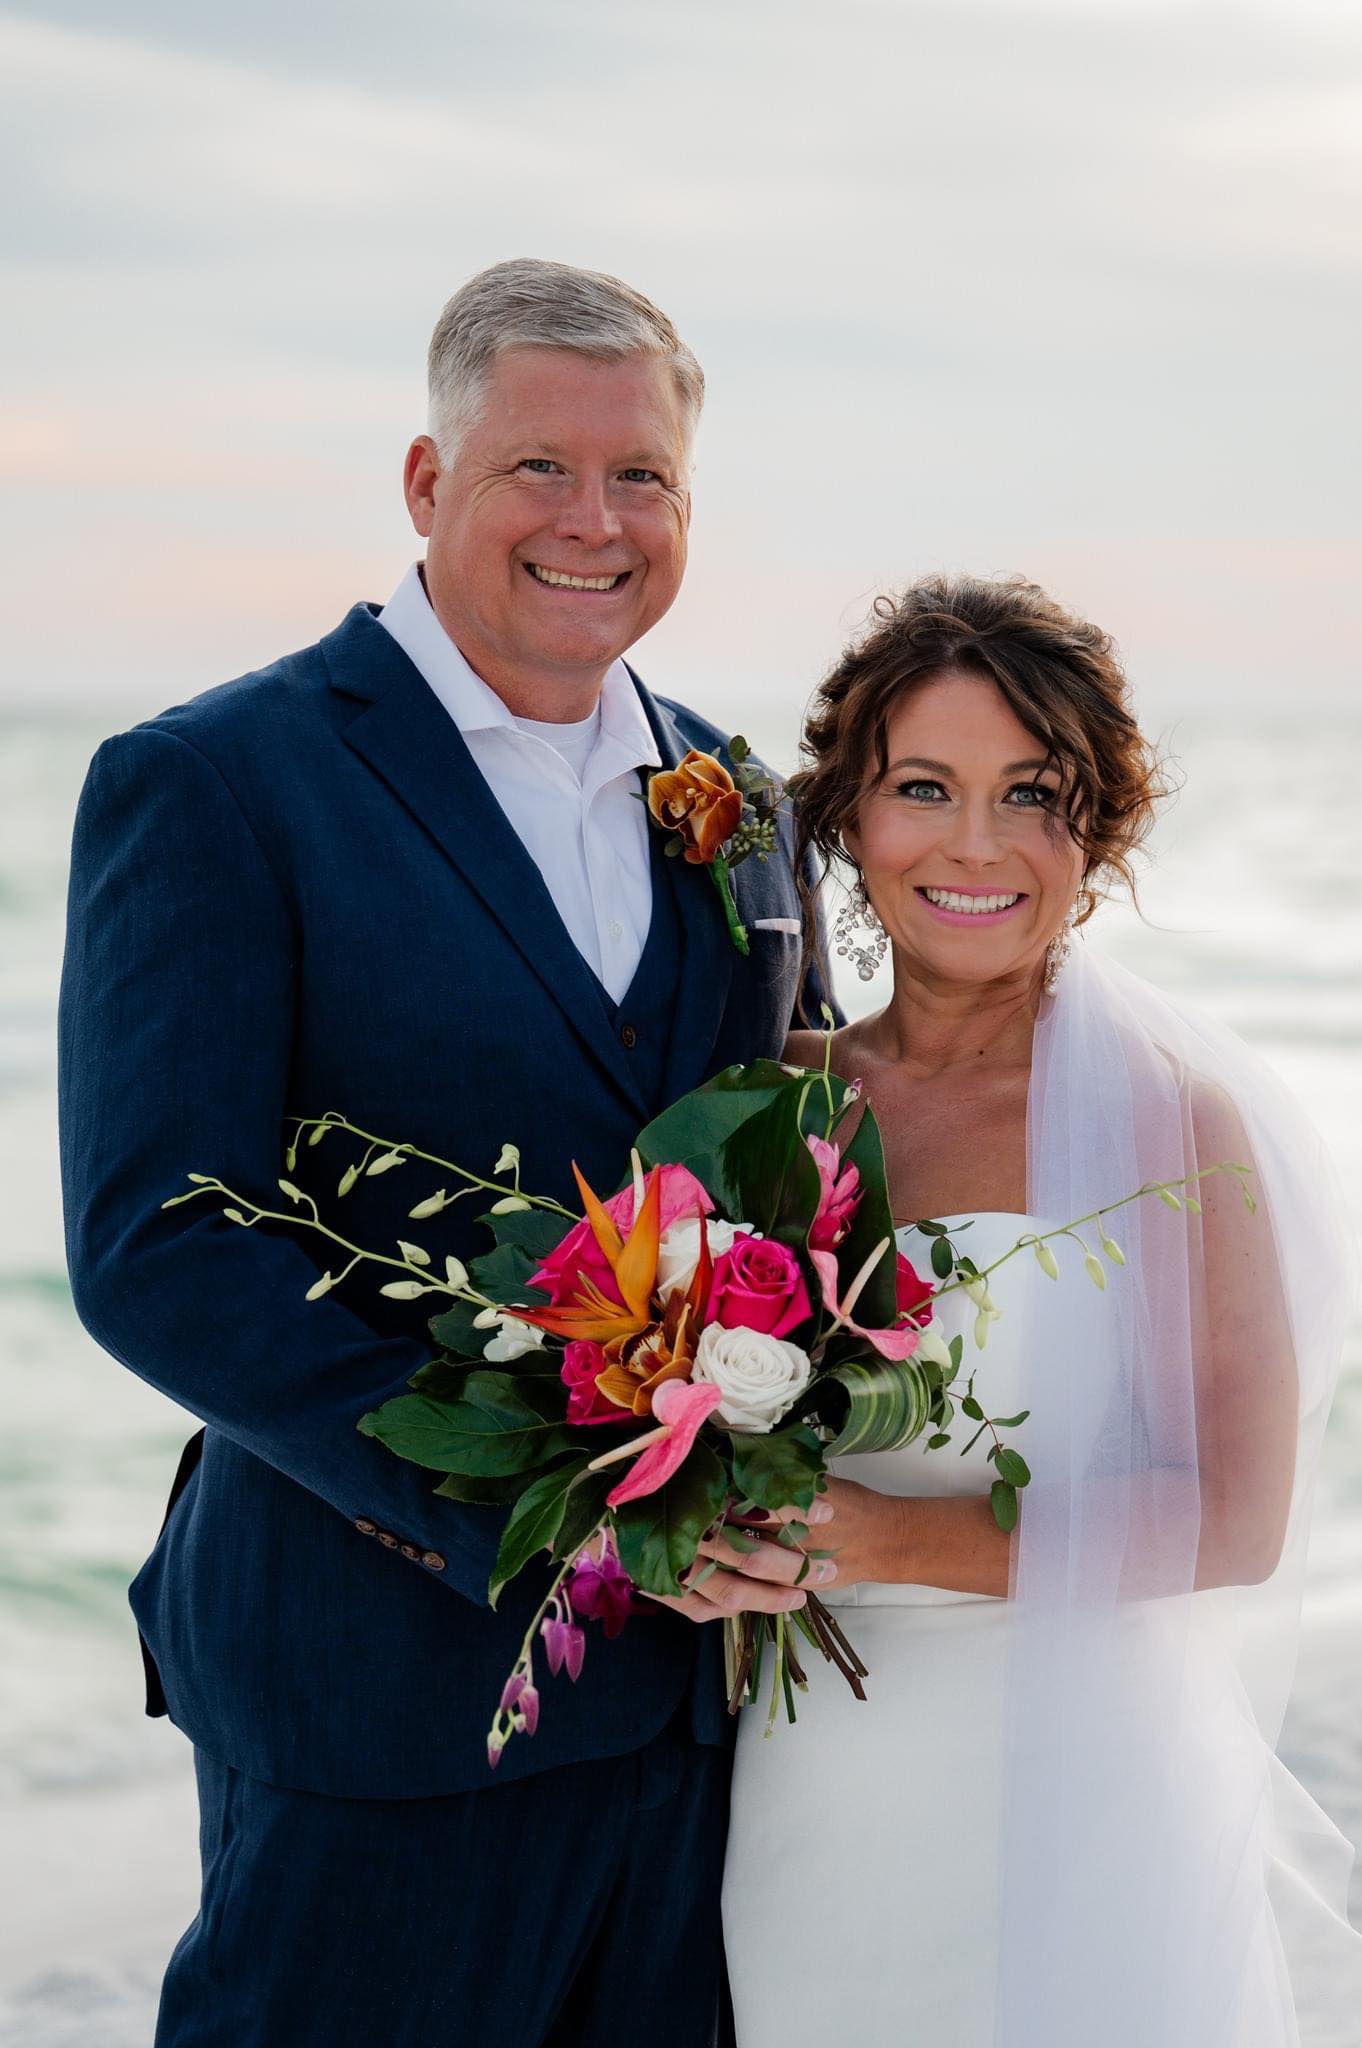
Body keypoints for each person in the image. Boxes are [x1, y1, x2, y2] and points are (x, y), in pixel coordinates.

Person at [58, 258, 822, 2048]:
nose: (593, 520)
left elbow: (793, 1178)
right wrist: (549, 1516)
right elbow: (160, 1242)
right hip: (372, 1693)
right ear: (426, 482)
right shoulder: (219, 780)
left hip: (698, 1714)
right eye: (537, 466)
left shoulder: (738, 800)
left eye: (640, 477)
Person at [721, 575, 1362, 2046]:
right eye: (922, 788)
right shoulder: (767, 1101)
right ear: (848, 817)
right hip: (805, 1780)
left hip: (1066, 1782)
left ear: (1097, 830)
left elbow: (1233, 1519)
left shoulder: (1167, 1124)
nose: (974, 843)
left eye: (1030, 794)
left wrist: (884, 1539)